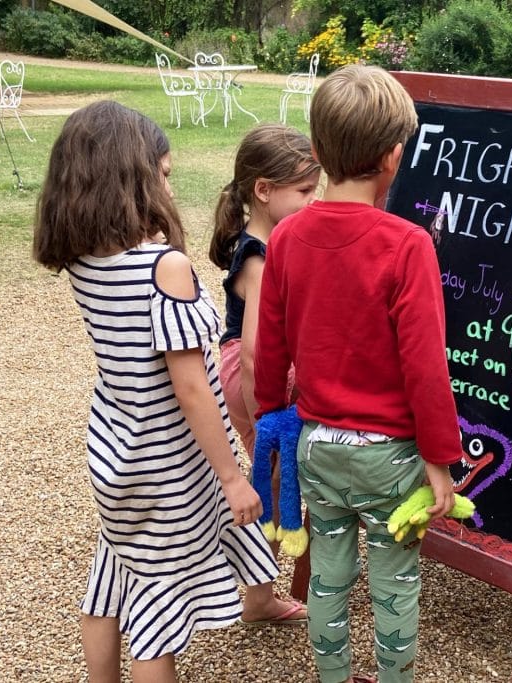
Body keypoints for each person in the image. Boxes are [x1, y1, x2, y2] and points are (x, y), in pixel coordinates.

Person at [32, 100, 286, 682]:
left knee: (116, 570)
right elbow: (192, 389)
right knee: (158, 604)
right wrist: (231, 476)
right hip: (168, 458)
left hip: (115, 446)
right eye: (164, 174)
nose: (170, 187)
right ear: (133, 179)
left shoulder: (83, 257)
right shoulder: (162, 267)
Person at [253, 64, 462, 683]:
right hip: (389, 457)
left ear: (317, 153)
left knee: (328, 576)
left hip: (318, 446)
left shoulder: (287, 239)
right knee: (395, 583)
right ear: (395, 157)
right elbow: (426, 365)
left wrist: (272, 419)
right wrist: (440, 457)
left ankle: (333, 677)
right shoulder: (407, 245)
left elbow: (272, 344)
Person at [208, 123, 321, 573]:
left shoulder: (273, 242)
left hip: (260, 371)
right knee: (273, 477)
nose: (314, 199)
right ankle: (253, 584)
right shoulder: (257, 256)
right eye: (304, 190)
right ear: (263, 190)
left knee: (275, 478)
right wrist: (266, 412)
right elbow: (255, 348)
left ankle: (258, 586)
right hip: (253, 373)